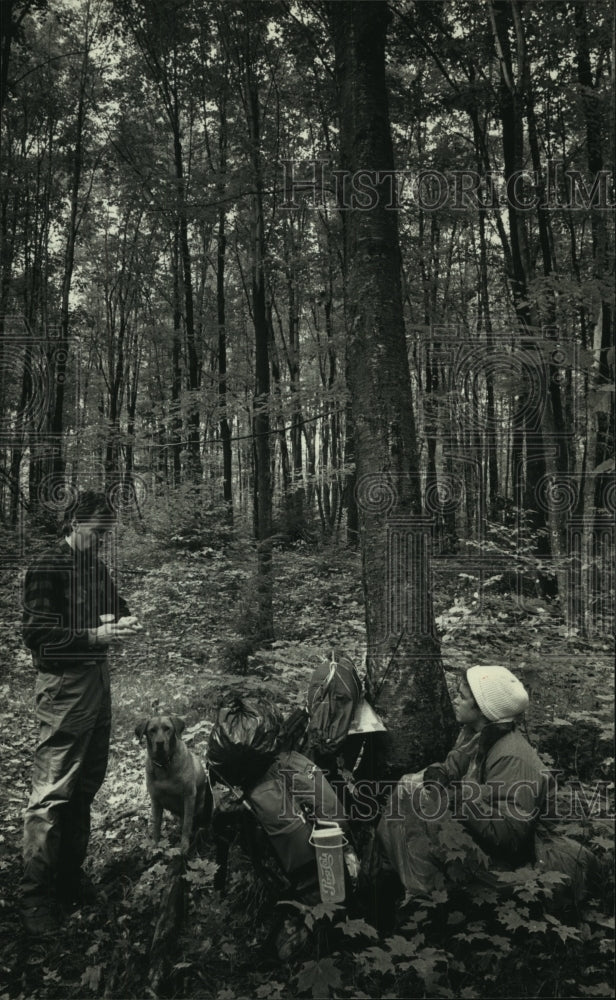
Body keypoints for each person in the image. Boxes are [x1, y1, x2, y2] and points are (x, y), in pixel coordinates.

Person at [20, 490, 141, 935]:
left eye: (107, 533)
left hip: (97, 681)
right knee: (53, 791)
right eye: (97, 531)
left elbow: (117, 607)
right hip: (64, 687)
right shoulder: (47, 566)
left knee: (86, 783)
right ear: (74, 522)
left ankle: (70, 877)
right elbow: (37, 635)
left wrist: (123, 622)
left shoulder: (96, 567)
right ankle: (35, 895)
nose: (102, 539)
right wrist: (93, 635)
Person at [376, 665, 596, 909]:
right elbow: (454, 766)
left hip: (516, 863)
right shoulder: (477, 735)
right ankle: (402, 887)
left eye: (462, 697)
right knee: (410, 786)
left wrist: (457, 798)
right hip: (482, 834)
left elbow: (510, 835)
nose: (455, 701)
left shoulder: (511, 756)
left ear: (482, 708)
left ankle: (427, 902)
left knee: (414, 801)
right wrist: (439, 773)